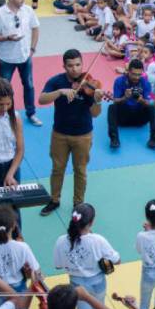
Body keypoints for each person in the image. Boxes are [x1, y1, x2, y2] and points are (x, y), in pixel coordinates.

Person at [38, 49, 102, 215]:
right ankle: (54, 200)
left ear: (82, 64)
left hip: (83, 135)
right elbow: (41, 99)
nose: (75, 69)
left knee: (80, 171)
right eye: (71, 66)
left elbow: (95, 114)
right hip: (60, 133)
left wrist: (97, 100)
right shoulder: (56, 81)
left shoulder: (90, 84)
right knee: (57, 169)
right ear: (64, 66)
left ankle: (78, 203)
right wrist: (60, 92)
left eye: (78, 65)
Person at [0, 0, 42, 126]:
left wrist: (32, 49)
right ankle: (4, 114)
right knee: (4, 89)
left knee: (29, 85)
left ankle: (31, 113)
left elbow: (35, 28)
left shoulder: (28, 10)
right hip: (7, 58)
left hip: (25, 56)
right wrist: (7, 38)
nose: (23, 0)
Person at [109, 58, 155, 150]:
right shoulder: (119, 81)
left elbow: (148, 103)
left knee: (153, 107)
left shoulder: (145, 83)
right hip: (123, 118)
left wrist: (141, 100)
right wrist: (125, 97)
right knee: (112, 107)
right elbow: (115, 101)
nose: (137, 77)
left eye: (139, 74)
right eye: (134, 74)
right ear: (128, 72)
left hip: (139, 119)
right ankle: (114, 138)